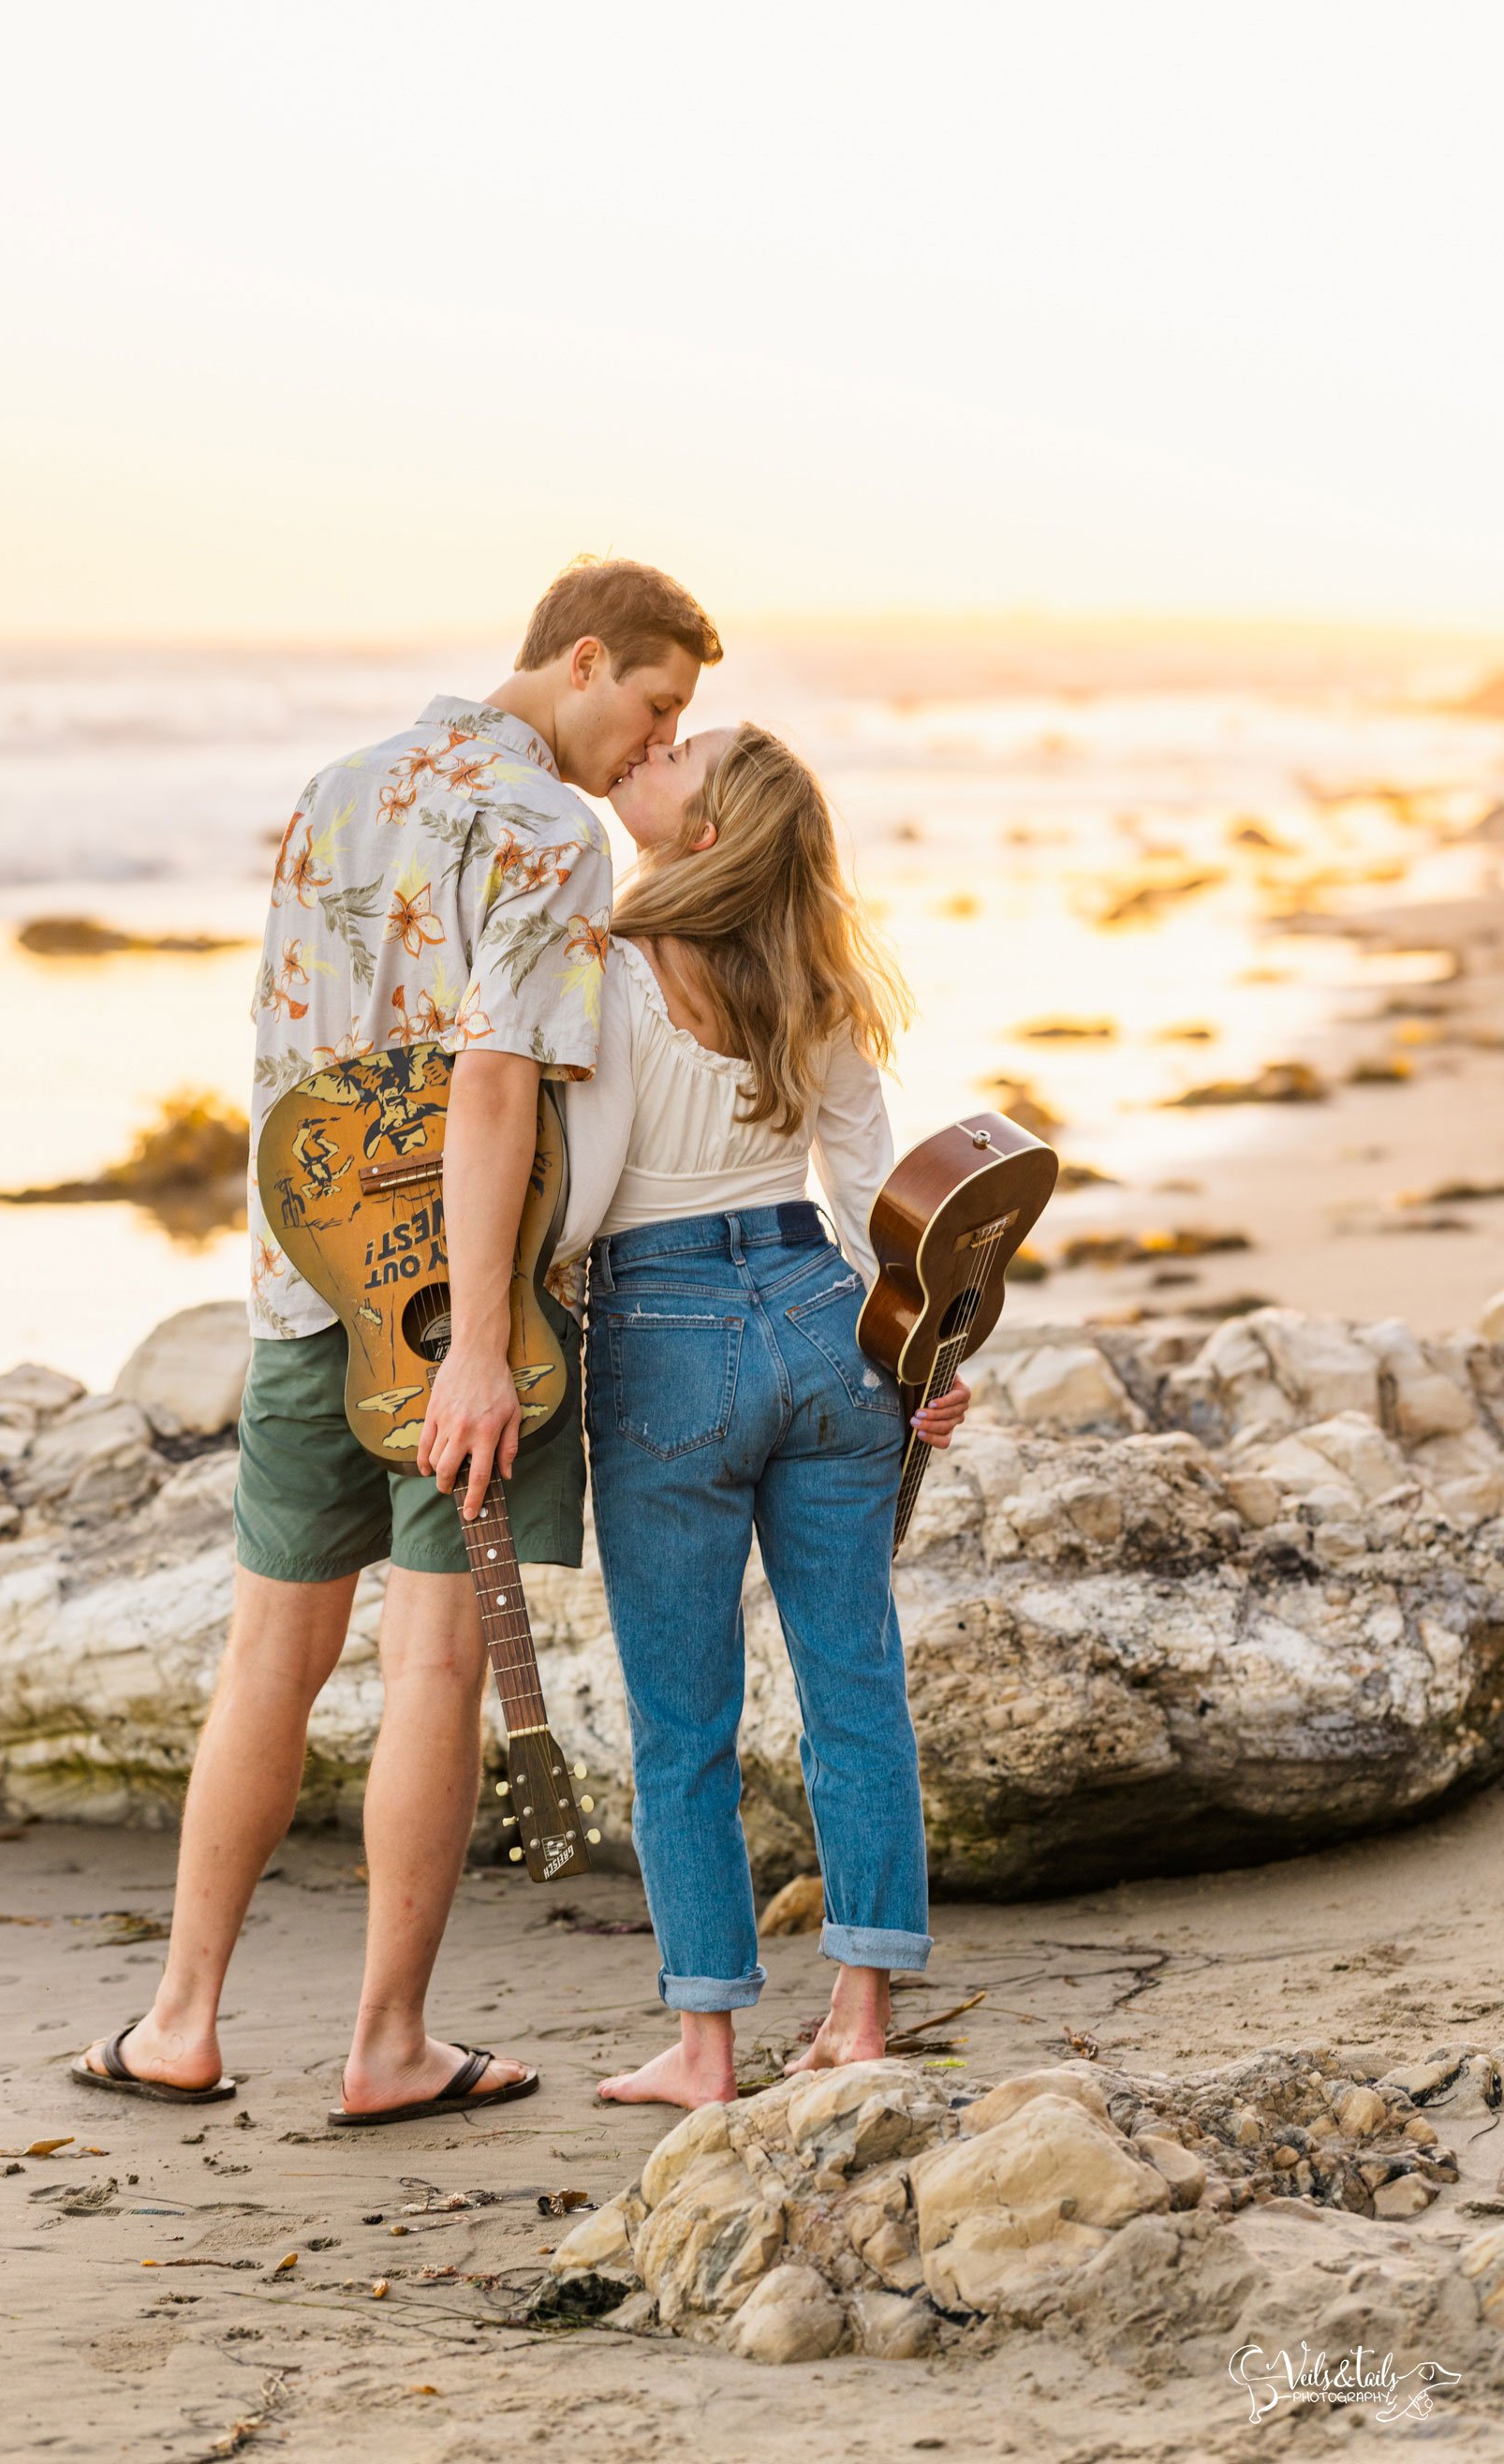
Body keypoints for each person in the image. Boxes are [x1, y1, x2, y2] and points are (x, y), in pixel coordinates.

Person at [75, 557, 721, 2120]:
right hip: (468, 1308)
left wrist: (303, 1274)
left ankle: (180, 2023)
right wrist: (485, 1341)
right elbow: (499, 1080)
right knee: (433, 1659)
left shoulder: (338, 786)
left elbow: (288, 1057)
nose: (653, 746)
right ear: (583, 660)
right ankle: (386, 2049)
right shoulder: (549, 827)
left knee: (267, 1658)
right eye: (654, 707)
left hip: (311, 1292)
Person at [553, 722, 968, 2110]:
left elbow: (588, 1189)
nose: (648, 757)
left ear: (706, 834)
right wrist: (915, 1353)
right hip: (820, 1312)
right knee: (855, 1682)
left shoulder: (606, 962)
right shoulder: (814, 976)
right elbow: (871, 1190)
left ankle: (706, 2048)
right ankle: (859, 2013)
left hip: (666, 1328)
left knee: (684, 1722)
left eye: (682, 759)